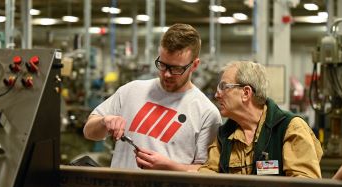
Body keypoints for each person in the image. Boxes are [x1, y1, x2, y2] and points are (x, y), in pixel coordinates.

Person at [83, 23, 222, 171]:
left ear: (194, 65)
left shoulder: (206, 113)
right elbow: (89, 132)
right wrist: (104, 121)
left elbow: (207, 171)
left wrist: (169, 166)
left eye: (176, 68)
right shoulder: (131, 90)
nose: (167, 74)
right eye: (162, 65)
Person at [198, 61, 323, 178]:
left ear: (246, 93)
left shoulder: (290, 128)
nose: (217, 95)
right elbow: (208, 177)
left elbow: (304, 186)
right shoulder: (224, 135)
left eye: (223, 87)